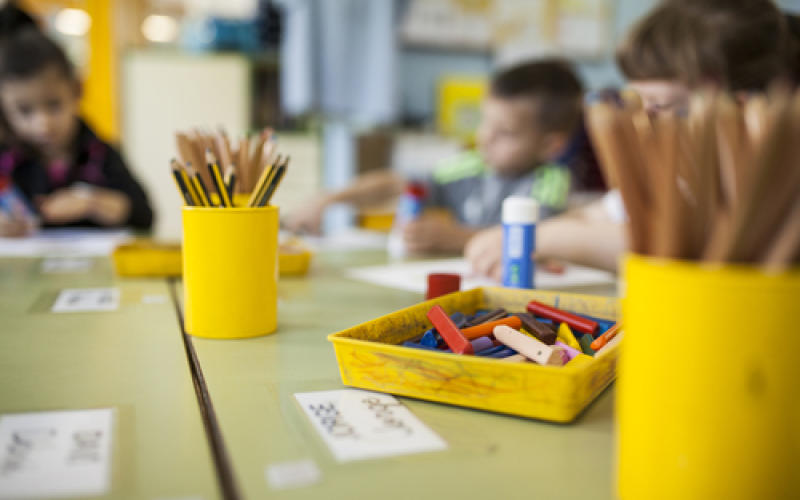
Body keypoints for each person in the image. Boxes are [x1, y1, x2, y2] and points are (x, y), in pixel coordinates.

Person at [465, 0, 799, 277]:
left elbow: (672, 247)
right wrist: (536, 235)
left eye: (662, 106)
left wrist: (544, 237)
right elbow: (607, 213)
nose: (644, 122)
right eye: (640, 103)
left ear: (742, 107)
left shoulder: (761, 179)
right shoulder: (684, 164)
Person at [286, 58, 595, 254]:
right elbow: (398, 184)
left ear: (550, 145)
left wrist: (455, 237)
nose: (484, 137)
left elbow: (536, 238)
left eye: (505, 132)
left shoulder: (552, 180)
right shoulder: (472, 164)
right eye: (484, 122)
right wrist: (329, 198)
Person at [0, 27, 153, 237]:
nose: (43, 124)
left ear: (77, 91)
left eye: (54, 105)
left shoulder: (102, 154)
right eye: (24, 111)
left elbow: (145, 216)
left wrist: (93, 202)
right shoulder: (5, 158)